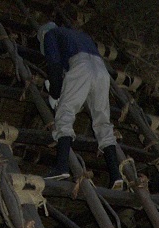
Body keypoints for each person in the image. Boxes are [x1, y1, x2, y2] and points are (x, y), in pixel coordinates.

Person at [38, 21, 124, 190]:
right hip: (101, 71)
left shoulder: (50, 35)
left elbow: (54, 66)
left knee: (65, 112)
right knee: (102, 120)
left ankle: (61, 166)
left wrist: (55, 94)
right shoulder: (80, 36)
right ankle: (116, 175)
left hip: (80, 66)